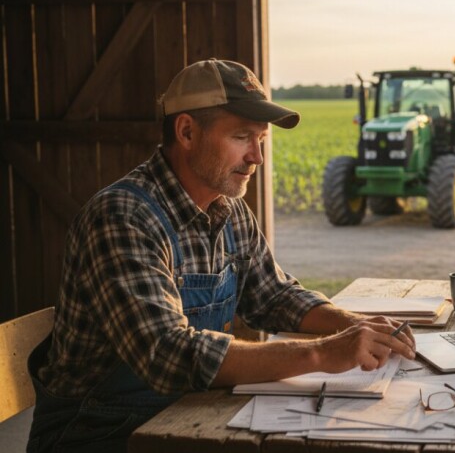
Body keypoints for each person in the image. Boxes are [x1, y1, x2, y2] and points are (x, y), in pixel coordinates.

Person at [26, 59, 416, 453]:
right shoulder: (122, 217)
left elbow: (274, 295)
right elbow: (166, 352)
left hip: (188, 415)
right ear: (187, 132)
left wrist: (356, 326)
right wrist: (322, 352)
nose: (256, 158)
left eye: (261, 140)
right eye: (243, 137)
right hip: (99, 434)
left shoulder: (228, 209)